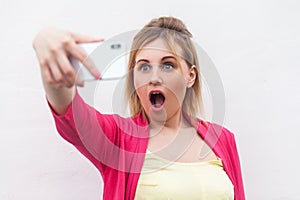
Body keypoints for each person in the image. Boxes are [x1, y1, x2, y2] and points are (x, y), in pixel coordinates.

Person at [33, 16, 245, 200]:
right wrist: (45, 39)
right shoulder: (117, 139)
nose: (154, 77)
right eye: (143, 66)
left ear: (191, 76)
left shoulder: (223, 140)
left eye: (168, 65)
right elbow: (69, 111)